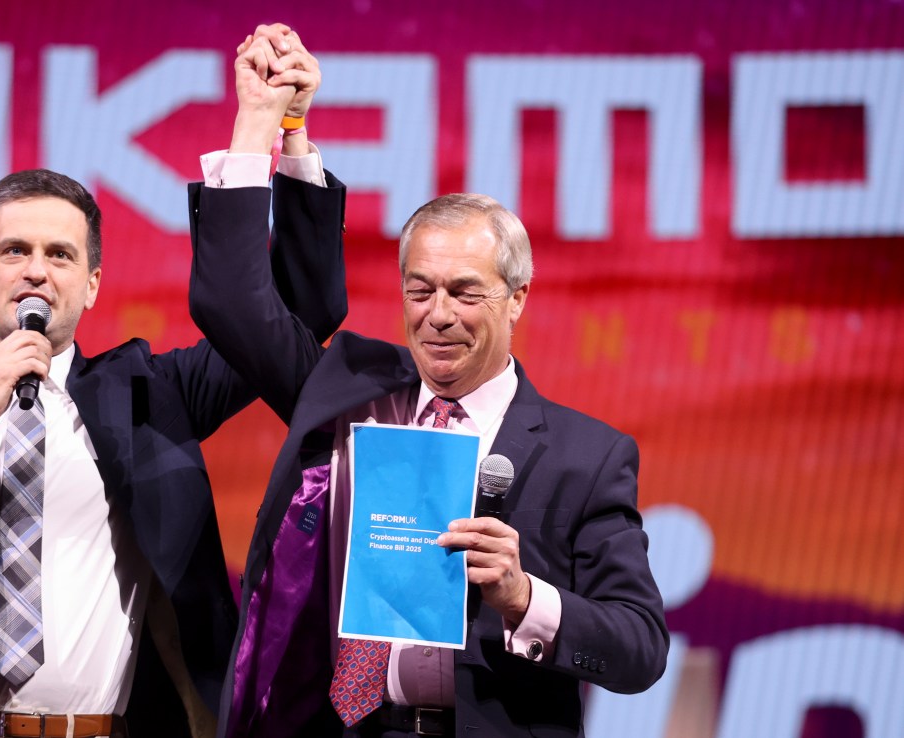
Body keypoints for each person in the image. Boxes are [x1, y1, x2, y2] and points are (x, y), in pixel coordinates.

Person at [0, 26, 341, 738]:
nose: (36, 270)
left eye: (60, 254)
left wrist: (283, 130)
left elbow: (288, 317)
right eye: (14, 251)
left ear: (91, 285)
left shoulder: (154, 394)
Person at [187, 29, 670, 737]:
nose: (438, 316)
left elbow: (639, 650)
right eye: (420, 290)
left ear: (518, 297)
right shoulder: (348, 393)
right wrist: (269, 123)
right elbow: (232, 298)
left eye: (465, 292)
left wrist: (520, 595)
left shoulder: (585, 457)